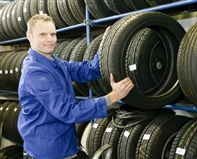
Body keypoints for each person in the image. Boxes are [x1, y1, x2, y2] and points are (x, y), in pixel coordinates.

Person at [17, 14, 134, 159]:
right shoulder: (35, 73)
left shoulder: (55, 63)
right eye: (43, 34)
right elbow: (69, 111)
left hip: (64, 141)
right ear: (30, 36)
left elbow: (88, 70)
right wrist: (114, 96)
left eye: (52, 34)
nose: (50, 39)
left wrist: (105, 47)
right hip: (48, 150)